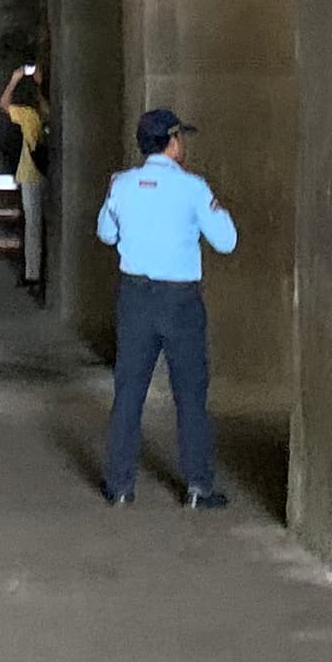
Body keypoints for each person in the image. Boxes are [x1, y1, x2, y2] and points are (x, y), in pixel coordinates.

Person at [99, 108, 238, 508]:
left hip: (135, 296)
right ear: (173, 141)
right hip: (180, 300)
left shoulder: (121, 185)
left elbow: (106, 234)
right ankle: (198, 486)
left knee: (128, 391)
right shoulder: (193, 188)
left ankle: (119, 486)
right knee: (190, 394)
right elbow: (227, 241)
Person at [0, 63, 49, 282]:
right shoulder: (44, 111)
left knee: (33, 225)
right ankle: (36, 271)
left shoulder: (27, 114)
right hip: (45, 170)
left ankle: (33, 273)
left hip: (31, 171)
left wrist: (15, 77)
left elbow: (3, 104)